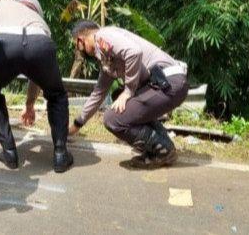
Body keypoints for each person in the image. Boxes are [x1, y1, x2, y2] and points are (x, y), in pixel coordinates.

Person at [0, 0, 73, 173]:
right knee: (57, 95)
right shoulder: (40, 22)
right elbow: (37, 77)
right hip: (41, 43)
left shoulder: (0, 3)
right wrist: (29, 105)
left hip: (4, 44)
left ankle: (9, 151)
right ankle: (61, 154)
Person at [69, 21, 188, 169]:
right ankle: (163, 144)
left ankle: (163, 151)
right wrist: (77, 124)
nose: (81, 51)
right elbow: (98, 94)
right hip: (166, 85)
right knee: (119, 99)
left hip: (168, 83)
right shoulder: (106, 57)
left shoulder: (102, 36)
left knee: (112, 118)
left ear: (82, 38)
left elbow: (133, 52)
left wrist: (128, 91)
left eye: (78, 46)